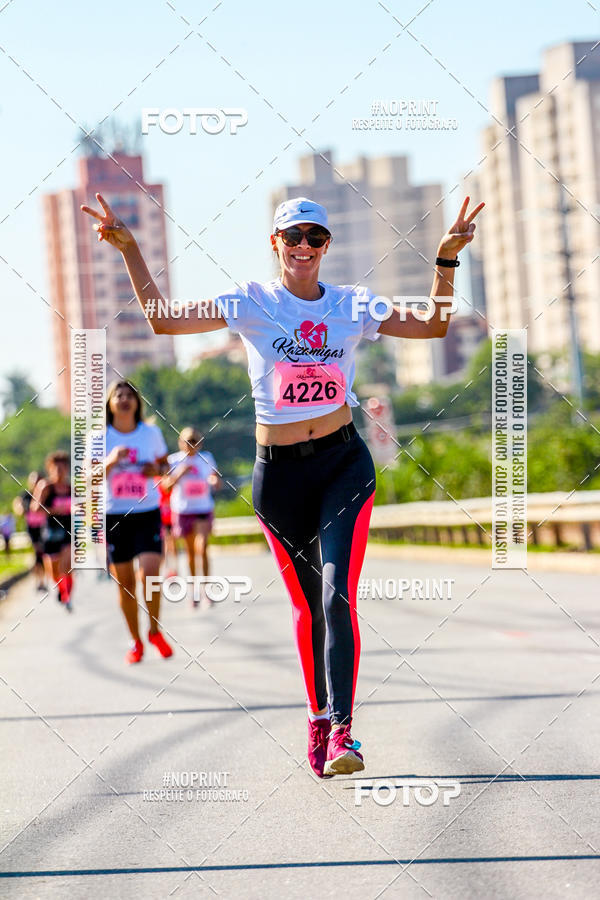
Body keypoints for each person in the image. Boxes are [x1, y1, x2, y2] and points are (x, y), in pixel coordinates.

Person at [82, 191, 483, 776]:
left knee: (336, 595)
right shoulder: (251, 301)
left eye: (314, 238)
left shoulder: (352, 304)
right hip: (280, 475)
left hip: (343, 464)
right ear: (275, 244)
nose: (302, 247)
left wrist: (445, 262)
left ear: (326, 246)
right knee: (306, 607)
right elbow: (163, 318)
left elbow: (433, 325)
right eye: (291, 237)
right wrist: (130, 250)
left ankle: (345, 731)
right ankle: (318, 716)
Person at [100, 379, 173, 664]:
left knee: (151, 575)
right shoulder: (101, 436)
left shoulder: (150, 433)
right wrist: (110, 462)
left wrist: (153, 469)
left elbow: (165, 467)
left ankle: (154, 630)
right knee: (126, 584)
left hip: (147, 512)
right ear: (110, 403)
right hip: (115, 515)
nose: (124, 398)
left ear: (137, 402)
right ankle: (136, 641)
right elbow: (87, 480)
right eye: (118, 394)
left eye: (130, 394)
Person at [162, 427, 221, 607]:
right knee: (189, 552)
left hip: (203, 508)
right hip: (183, 510)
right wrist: (179, 474)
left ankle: (206, 590)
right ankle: (194, 590)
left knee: (201, 548)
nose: (191, 444)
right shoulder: (173, 460)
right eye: (187, 440)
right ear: (180, 442)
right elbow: (165, 486)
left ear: (200, 442)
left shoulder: (207, 458)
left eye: (194, 440)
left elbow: (214, 477)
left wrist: (214, 481)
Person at [31, 452, 73, 610]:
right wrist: (55, 510)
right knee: (54, 571)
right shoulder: (46, 487)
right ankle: (62, 589)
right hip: (50, 532)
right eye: (56, 468)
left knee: (67, 565)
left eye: (63, 467)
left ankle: (68, 594)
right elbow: (35, 508)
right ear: (50, 469)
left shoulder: (71, 488)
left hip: (68, 532)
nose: (60, 471)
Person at [13, 472, 47, 590]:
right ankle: (39, 580)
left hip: (44, 528)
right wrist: (19, 508)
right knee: (37, 553)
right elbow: (18, 507)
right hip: (32, 529)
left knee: (42, 554)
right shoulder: (26, 495)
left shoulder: (45, 494)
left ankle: (42, 580)